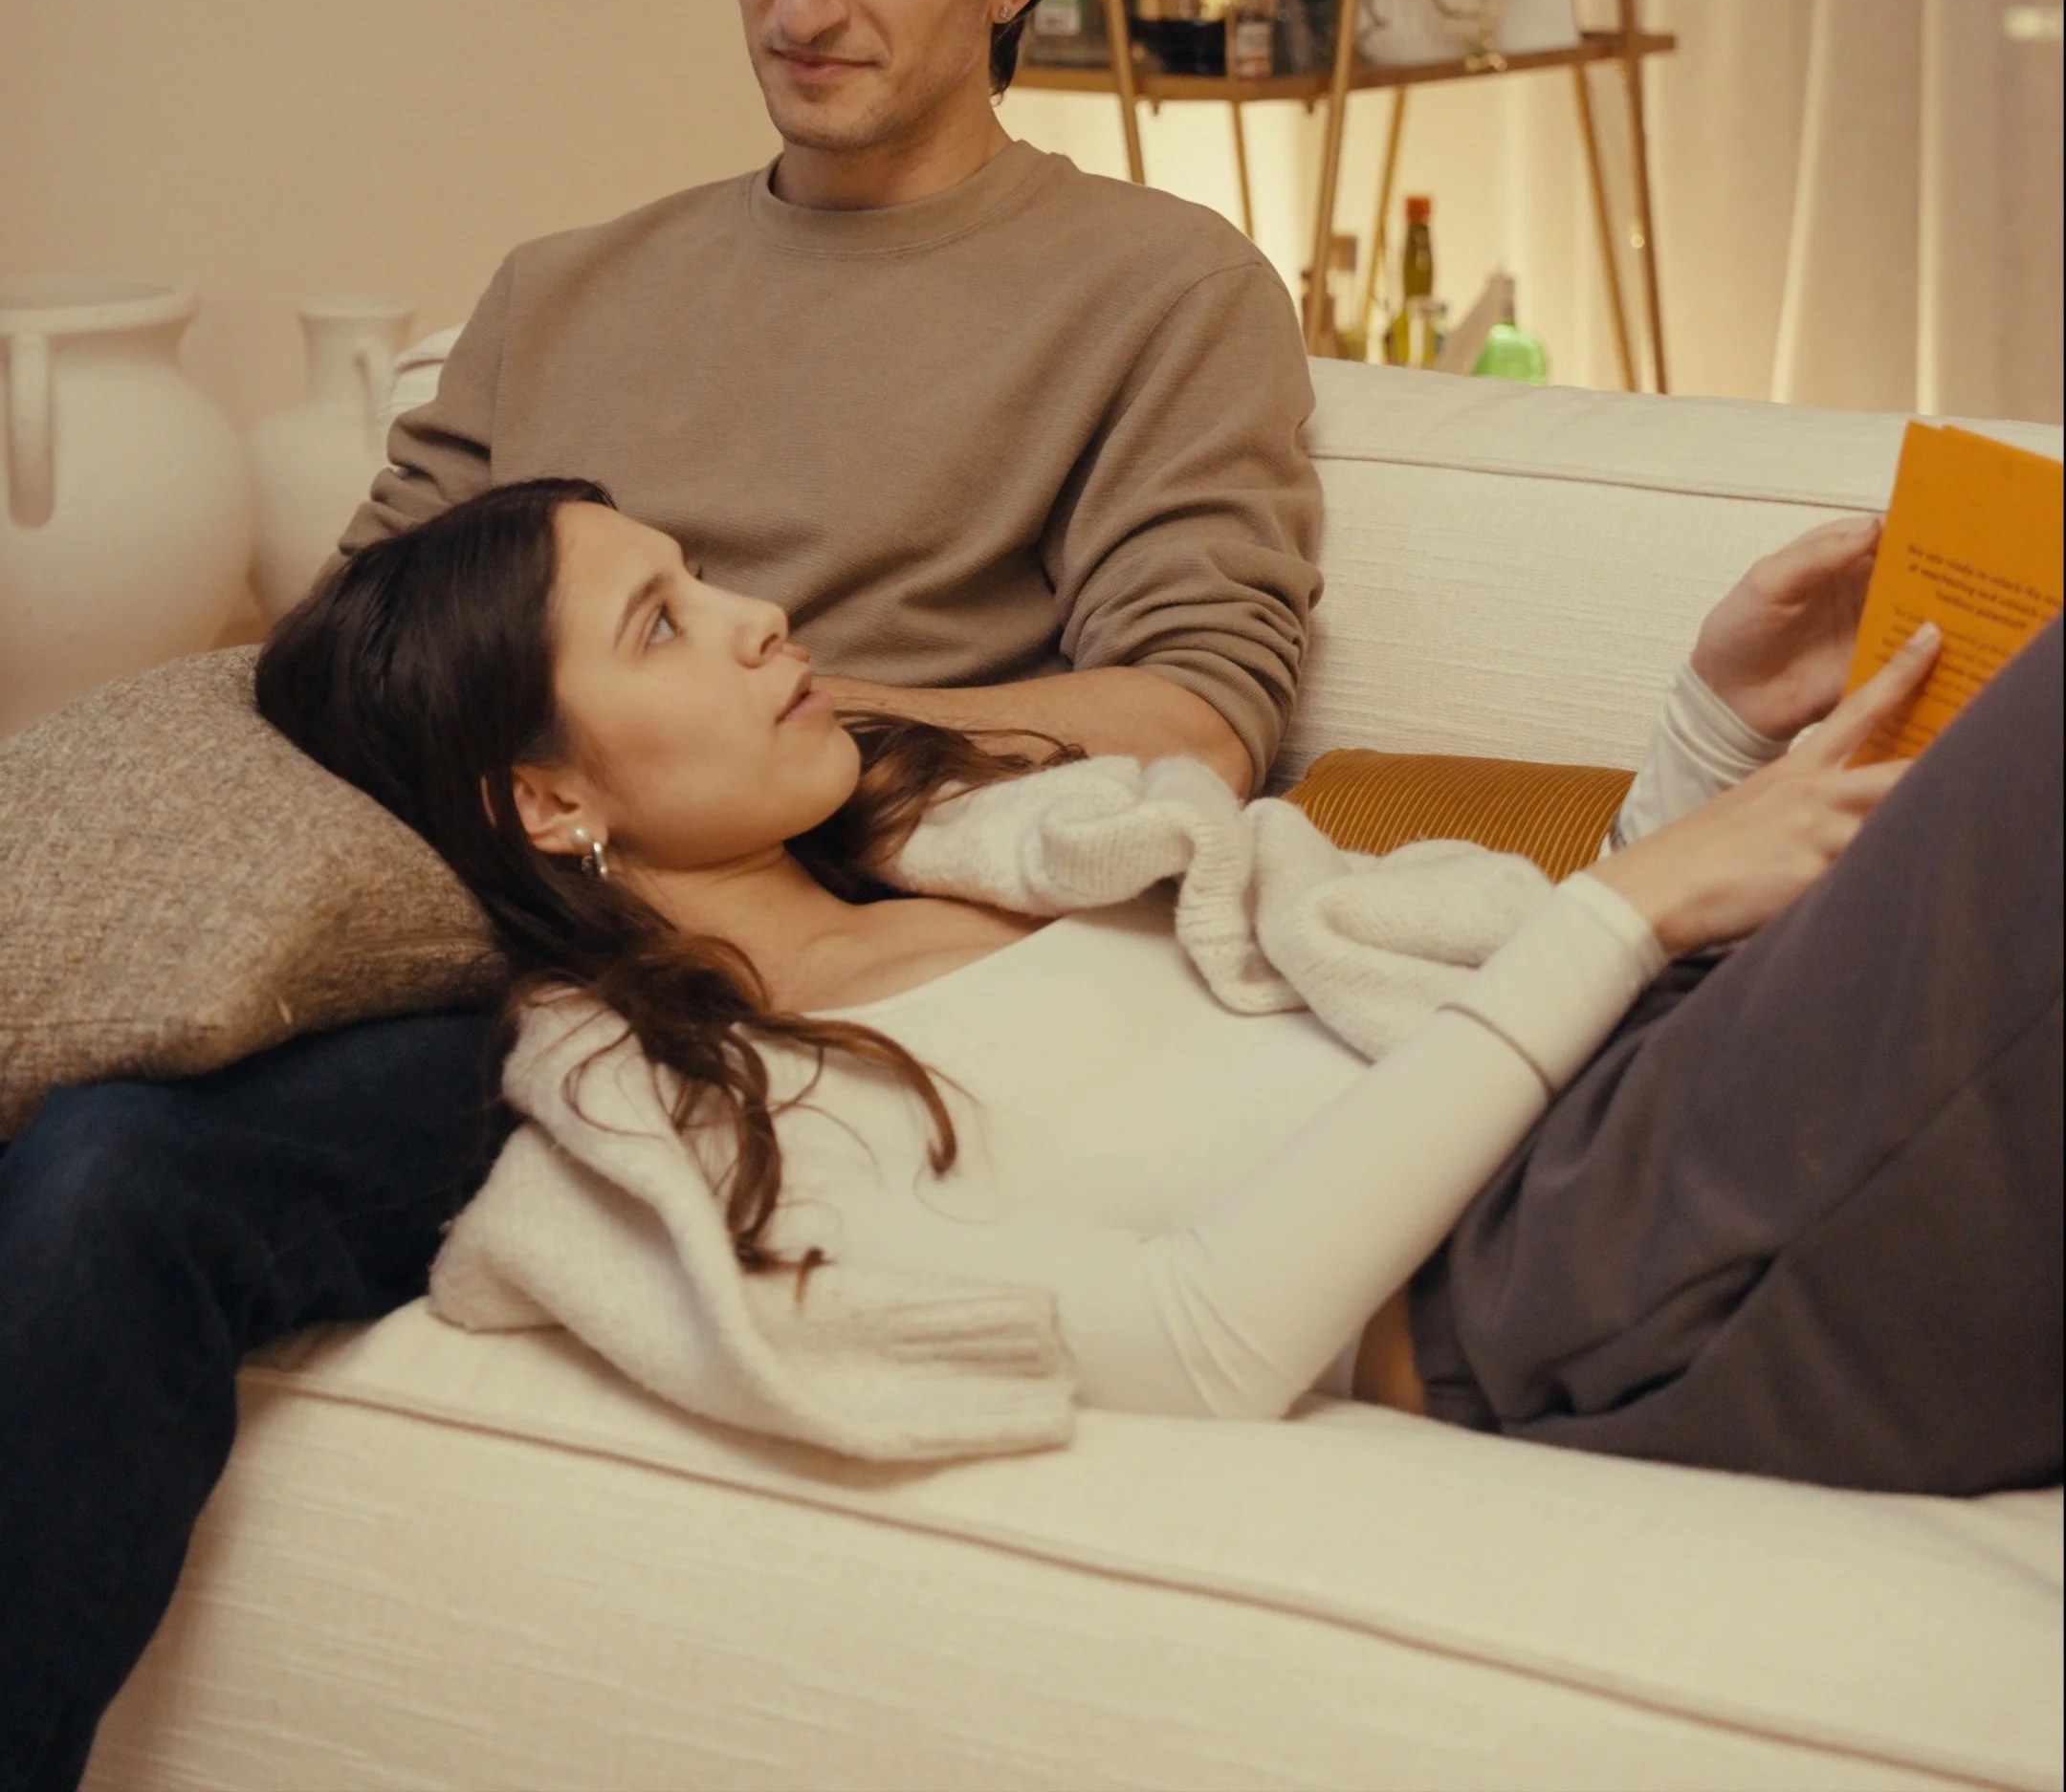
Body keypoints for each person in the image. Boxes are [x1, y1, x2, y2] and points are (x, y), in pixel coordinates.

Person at [0, 0, 1320, 1791]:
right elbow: (349, 659)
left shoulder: (1164, 298)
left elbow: (1195, 719)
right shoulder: (565, 290)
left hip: (735, 988)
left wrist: (725, 703)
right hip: (460, 942)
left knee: (113, 1182)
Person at [258, 473, 2062, 1491]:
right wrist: (1640, 913)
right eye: (663, 621)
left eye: (705, 566)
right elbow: (1206, 1340)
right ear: (546, 797)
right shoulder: (715, 1102)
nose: (758, 615)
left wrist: (1704, 741)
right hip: (1560, 1284)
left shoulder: (987, 840)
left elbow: (1422, 1009)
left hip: (1643, 1122)